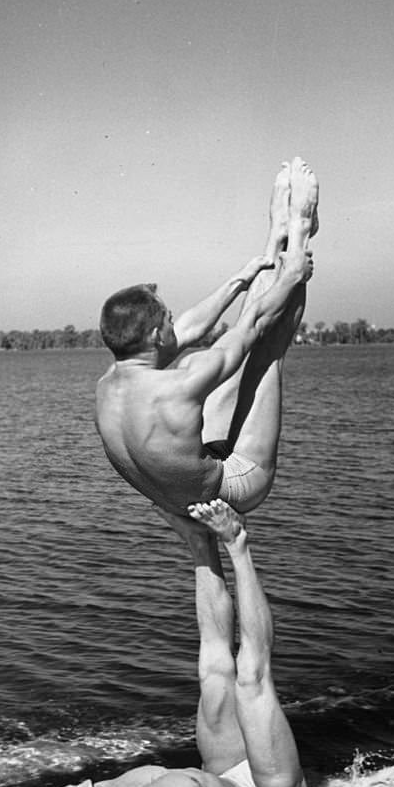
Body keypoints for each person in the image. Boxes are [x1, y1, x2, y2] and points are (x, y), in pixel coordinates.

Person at [28, 500, 377, 787]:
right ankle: (237, 544)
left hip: (223, 777)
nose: (85, 784)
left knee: (212, 669)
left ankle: (199, 542)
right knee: (251, 677)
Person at [95, 157, 317, 517]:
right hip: (232, 490)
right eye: (167, 318)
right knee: (264, 354)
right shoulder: (181, 384)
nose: (174, 321)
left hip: (173, 493)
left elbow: (191, 327)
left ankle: (274, 239)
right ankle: (300, 231)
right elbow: (255, 323)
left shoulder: (108, 383)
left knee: (211, 362)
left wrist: (240, 279)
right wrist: (294, 274)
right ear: (154, 335)